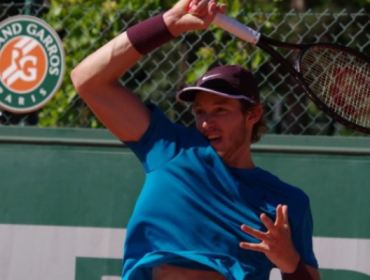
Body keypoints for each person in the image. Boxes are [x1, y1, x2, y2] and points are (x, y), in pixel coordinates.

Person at [71, 0, 321, 279]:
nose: (205, 122)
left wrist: (290, 263)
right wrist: (168, 23)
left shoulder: (286, 203)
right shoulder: (171, 148)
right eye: (200, 111)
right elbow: (87, 80)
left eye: (220, 110)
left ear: (253, 115)